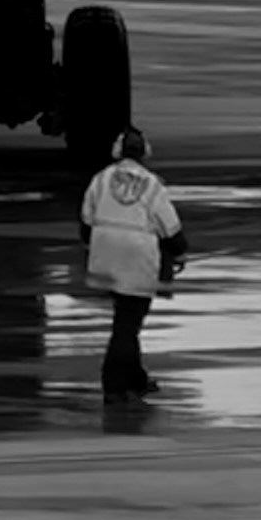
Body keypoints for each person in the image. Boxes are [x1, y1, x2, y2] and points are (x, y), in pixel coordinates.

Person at [78, 125, 184, 399]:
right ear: (145, 152)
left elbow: (86, 220)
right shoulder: (152, 184)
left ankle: (136, 378)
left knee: (124, 316)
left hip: (106, 255)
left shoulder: (101, 179)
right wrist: (179, 250)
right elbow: (170, 226)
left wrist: (94, 245)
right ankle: (114, 384)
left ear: (117, 151)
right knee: (128, 324)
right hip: (137, 257)